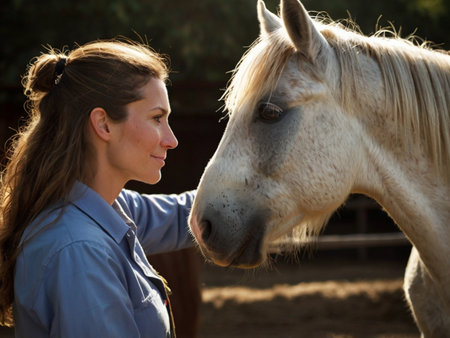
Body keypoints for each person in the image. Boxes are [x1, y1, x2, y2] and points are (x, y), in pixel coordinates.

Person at [0, 38, 196, 337]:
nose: (171, 140)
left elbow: (189, 214)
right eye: (157, 118)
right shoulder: (80, 251)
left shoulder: (106, 206)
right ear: (103, 124)